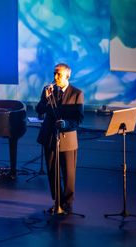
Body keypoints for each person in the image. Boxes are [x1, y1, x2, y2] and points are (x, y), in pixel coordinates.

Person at [36, 63, 84, 214]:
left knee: (69, 173)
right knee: (52, 172)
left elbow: (79, 119)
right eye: (54, 74)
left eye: (59, 74)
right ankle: (57, 202)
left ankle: (67, 203)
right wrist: (45, 99)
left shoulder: (77, 93)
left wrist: (66, 124)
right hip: (49, 137)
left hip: (68, 139)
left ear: (67, 76)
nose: (55, 77)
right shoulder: (48, 90)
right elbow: (39, 110)